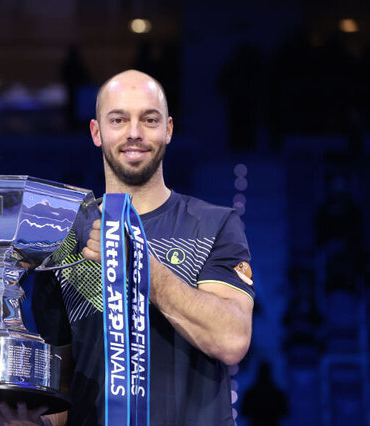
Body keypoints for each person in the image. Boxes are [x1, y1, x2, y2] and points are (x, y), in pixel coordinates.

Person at [33, 69, 255, 425]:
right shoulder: (63, 239)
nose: (134, 133)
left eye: (148, 120)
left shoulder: (216, 224)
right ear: (96, 132)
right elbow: (59, 392)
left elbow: (232, 340)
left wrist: (140, 266)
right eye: (118, 119)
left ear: (168, 129)